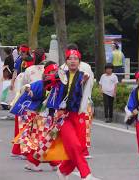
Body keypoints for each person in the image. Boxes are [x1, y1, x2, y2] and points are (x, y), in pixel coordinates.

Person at [47, 49, 99, 180]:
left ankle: (63, 170)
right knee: (74, 145)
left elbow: (88, 85)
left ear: (79, 62)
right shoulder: (60, 75)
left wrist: (85, 81)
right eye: (70, 58)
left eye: (76, 59)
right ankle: (85, 174)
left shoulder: (84, 75)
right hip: (63, 116)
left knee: (80, 147)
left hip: (79, 114)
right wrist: (31, 86)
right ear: (66, 61)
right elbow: (46, 82)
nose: (73, 61)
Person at [10, 61, 61, 171]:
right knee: (44, 140)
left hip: (51, 116)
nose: (54, 73)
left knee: (47, 140)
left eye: (55, 71)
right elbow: (28, 87)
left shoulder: (57, 85)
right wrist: (29, 90)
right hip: (41, 117)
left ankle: (51, 162)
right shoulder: (41, 84)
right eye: (51, 71)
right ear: (46, 72)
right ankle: (41, 162)